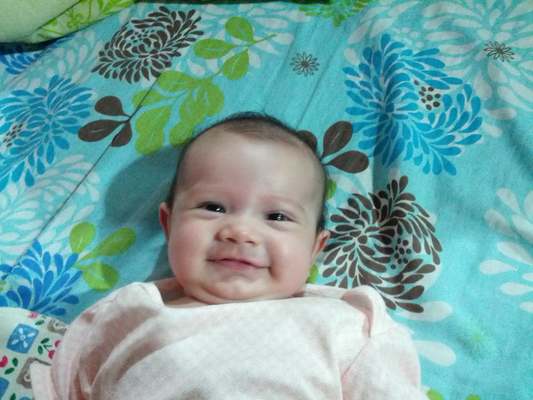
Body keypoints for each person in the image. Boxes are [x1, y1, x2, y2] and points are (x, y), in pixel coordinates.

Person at [30, 112, 426, 399]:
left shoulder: (343, 324)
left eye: (277, 216)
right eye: (213, 207)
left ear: (314, 248)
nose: (239, 231)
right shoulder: (127, 313)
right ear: (169, 224)